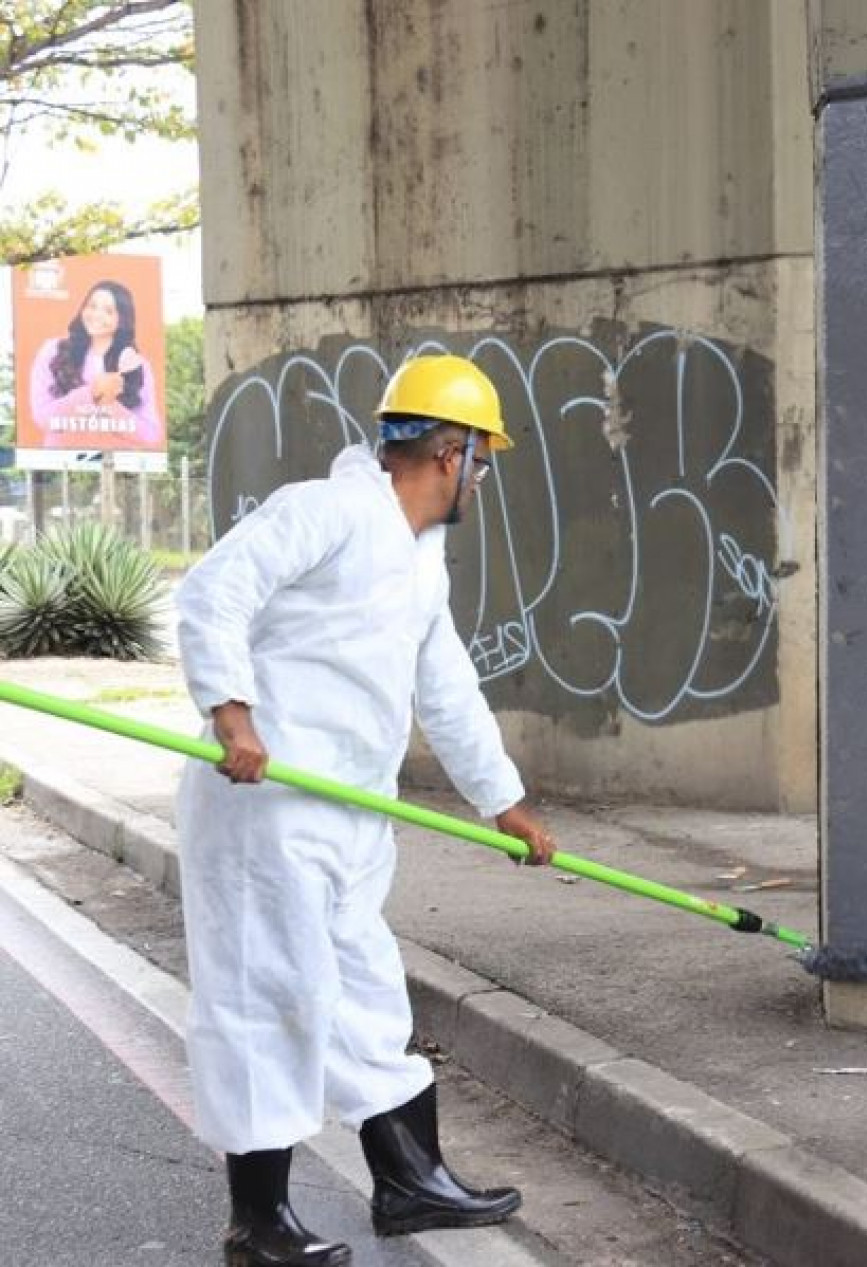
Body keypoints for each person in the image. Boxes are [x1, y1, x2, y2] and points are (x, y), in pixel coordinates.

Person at [174, 354, 557, 1266]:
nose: (483, 479)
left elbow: (446, 686)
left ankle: (410, 1180)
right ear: (451, 452)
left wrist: (502, 802)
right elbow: (214, 590)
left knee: (364, 994)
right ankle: (258, 1225)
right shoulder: (327, 510)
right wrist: (232, 712)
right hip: (267, 808)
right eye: (484, 460)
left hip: (348, 815)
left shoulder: (420, 561)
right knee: (268, 996)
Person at [27, 279, 162, 450]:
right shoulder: (54, 351)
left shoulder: (137, 365)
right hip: (62, 460)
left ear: (122, 319)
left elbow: (151, 434)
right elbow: (42, 417)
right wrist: (90, 393)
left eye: (108, 311)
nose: (97, 315)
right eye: (92, 306)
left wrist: (110, 405)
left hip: (116, 462)